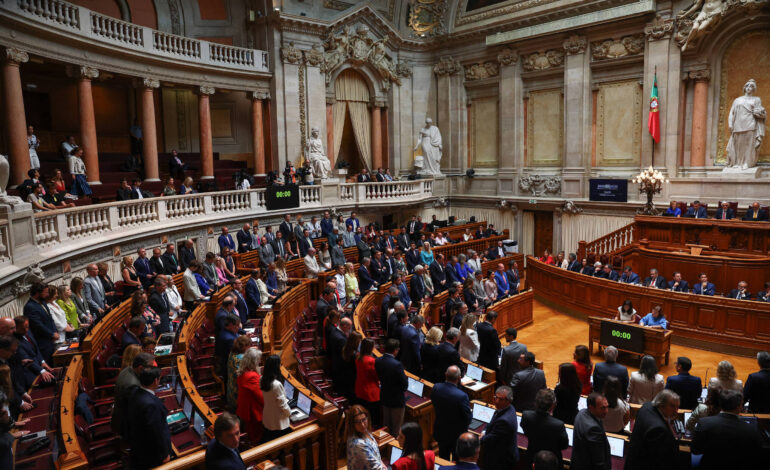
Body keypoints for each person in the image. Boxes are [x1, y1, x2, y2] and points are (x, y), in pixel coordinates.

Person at [690, 389, 762, 470]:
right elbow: (756, 457)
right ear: (739, 407)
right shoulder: (751, 430)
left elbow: (695, 450)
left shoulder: (704, 423)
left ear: (720, 404)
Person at [126, 366, 172, 468]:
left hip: (138, 445)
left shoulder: (135, 392)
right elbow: (156, 432)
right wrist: (164, 455)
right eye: (159, 378)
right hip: (151, 455)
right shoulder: (151, 405)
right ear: (156, 381)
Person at [623, 390, 681, 470]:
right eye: (672, 406)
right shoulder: (658, 429)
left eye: (677, 407)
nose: (676, 411)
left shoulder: (647, 406)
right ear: (661, 404)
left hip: (633, 459)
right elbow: (661, 460)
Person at [431, 365, 471, 460]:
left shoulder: (436, 388)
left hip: (441, 431)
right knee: (457, 460)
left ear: (445, 375)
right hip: (456, 436)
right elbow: (468, 418)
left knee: (443, 458)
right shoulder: (462, 396)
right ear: (459, 378)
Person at [521, 389, 569, 467]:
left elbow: (525, 431)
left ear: (536, 402)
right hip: (552, 461)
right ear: (553, 405)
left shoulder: (526, 415)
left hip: (532, 456)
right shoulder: (558, 425)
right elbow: (564, 445)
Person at [112, 351, 153, 437]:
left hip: (122, 416)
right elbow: (140, 410)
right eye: (150, 368)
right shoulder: (132, 385)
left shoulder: (128, 369)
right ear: (141, 368)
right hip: (127, 426)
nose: (151, 370)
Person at [479, 386, 518, 470]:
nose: (496, 401)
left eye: (500, 399)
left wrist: (481, 438)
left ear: (508, 401)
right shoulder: (507, 408)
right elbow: (491, 422)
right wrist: (484, 431)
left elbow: (492, 438)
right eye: (496, 397)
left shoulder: (504, 421)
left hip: (501, 459)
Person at [375, 339, 407, 436]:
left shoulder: (378, 360)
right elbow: (404, 385)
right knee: (396, 429)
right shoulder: (397, 365)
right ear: (395, 350)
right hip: (396, 400)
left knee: (386, 426)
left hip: (384, 396)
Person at [570, 392, 610, 470]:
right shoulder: (593, 429)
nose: (606, 411)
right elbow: (598, 462)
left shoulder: (581, 413)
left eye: (607, 407)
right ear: (591, 407)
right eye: (602, 408)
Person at [23, 283, 59, 363]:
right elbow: (38, 325)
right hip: (42, 343)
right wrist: (51, 334)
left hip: (51, 340)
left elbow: (50, 319)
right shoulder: (30, 307)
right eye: (46, 292)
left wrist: (55, 331)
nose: (48, 295)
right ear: (38, 293)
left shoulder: (42, 302)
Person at [260, 355, 291, 443]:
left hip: (268, 416)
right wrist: (289, 413)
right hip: (278, 421)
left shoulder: (262, 379)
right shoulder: (276, 385)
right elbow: (282, 405)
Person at [235, 348, 264, 444]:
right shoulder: (252, 376)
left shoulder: (243, 371)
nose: (260, 362)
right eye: (258, 360)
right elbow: (261, 397)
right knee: (256, 437)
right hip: (253, 412)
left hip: (245, 408)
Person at [346, 405, 387, 470]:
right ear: (352, 424)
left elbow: (376, 457)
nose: (362, 425)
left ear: (367, 418)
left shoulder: (365, 431)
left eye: (364, 419)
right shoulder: (358, 445)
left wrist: (382, 463)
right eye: (358, 422)